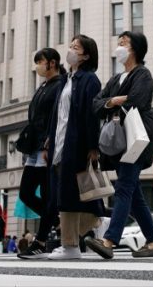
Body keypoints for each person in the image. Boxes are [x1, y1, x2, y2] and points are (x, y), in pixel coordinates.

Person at [87, 31, 153, 259]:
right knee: (134, 195)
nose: (119, 45)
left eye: (124, 42)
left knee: (123, 188)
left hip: (134, 142)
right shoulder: (116, 79)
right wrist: (113, 100)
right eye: (118, 41)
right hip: (119, 143)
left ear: (136, 49)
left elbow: (137, 101)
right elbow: (96, 105)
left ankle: (109, 240)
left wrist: (110, 102)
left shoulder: (143, 75)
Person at [43, 35, 103, 260]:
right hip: (61, 142)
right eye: (70, 45)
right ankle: (92, 228)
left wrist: (93, 146)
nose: (70, 50)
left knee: (71, 194)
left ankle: (70, 245)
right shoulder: (66, 79)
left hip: (76, 144)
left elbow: (92, 115)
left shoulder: (90, 80)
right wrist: (49, 139)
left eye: (76, 47)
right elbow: (58, 114)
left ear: (86, 55)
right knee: (71, 194)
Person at [17, 48, 65, 259]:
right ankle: (56, 220)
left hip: (47, 147)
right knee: (25, 193)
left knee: (48, 197)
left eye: (41, 61)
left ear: (52, 63)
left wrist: (49, 143)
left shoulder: (60, 85)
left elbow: (58, 116)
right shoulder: (43, 86)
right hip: (34, 147)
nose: (37, 65)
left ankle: (40, 242)